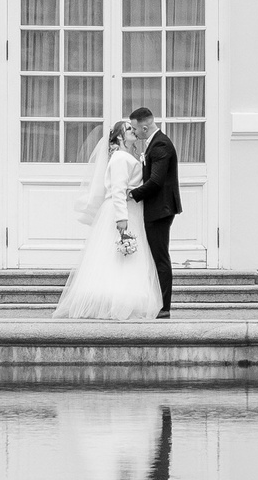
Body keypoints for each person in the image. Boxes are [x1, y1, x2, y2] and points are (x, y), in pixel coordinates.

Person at [52, 118, 163, 322]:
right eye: (129, 129)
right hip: (121, 212)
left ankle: (124, 299)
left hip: (131, 211)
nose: (133, 131)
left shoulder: (126, 156)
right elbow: (118, 190)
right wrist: (122, 218)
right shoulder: (121, 158)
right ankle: (114, 301)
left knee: (123, 258)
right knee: (118, 257)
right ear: (120, 136)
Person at [127, 106, 182, 319]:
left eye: (135, 128)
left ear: (145, 126)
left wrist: (133, 194)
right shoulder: (155, 143)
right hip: (158, 209)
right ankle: (160, 304)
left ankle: (165, 307)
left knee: (160, 258)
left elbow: (156, 181)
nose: (135, 132)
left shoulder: (160, 144)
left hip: (160, 210)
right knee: (157, 256)